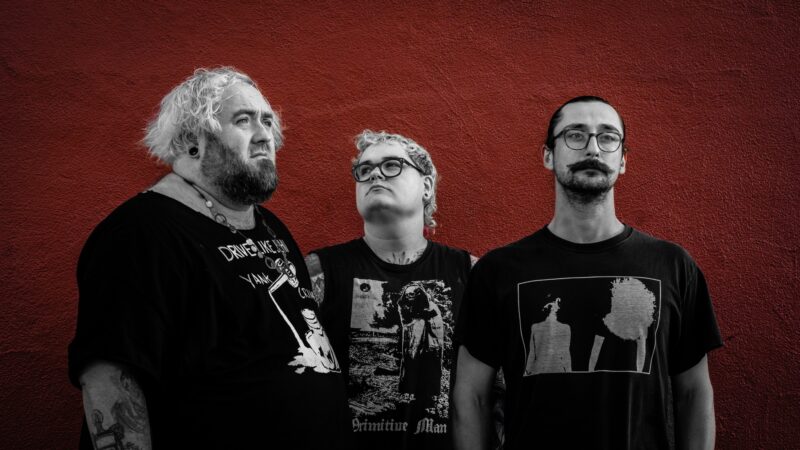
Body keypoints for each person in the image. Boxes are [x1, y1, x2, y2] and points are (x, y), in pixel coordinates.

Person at [68, 67, 349, 449]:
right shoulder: (140, 233)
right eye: (244, 120)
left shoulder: (270, 226)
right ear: (191, 141)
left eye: (267, 122)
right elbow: (110, 378)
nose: (264, 135)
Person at [453, 96, 723, 450]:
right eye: (575, 135)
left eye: (608, 137)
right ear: (548, 156)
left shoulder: (671, 266)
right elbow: (471, 396)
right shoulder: (498, 270)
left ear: (622, 160)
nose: (593, 148)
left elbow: (694, 394)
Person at [305, 130, 476, 450]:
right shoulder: (318, 272)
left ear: (426, 186)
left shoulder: (469, 272)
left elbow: (493, 389)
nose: (375, 175)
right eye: (365, 169)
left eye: (392, 165)